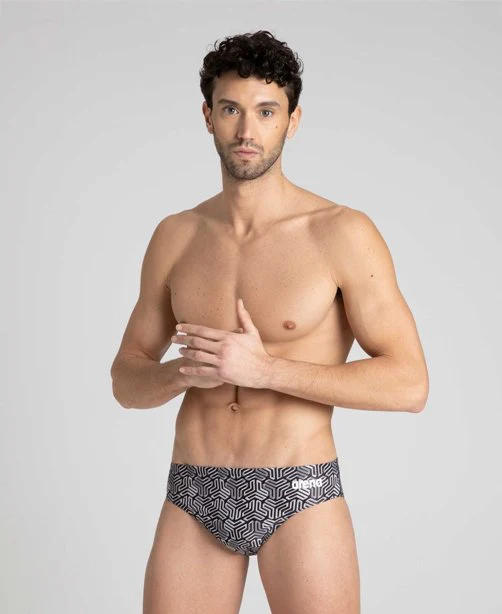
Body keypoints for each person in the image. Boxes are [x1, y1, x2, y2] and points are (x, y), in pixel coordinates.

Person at [110, 30, 429, 614]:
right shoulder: (175, 236)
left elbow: (410, 384)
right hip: (193, 489)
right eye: (231, 109)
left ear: (292, 120)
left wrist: (265, 370)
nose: (247, 131)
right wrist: (181, 374)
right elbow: (125, 380)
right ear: (208, 116)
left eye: (265, 111)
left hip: (300, 491)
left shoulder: (341, 232)